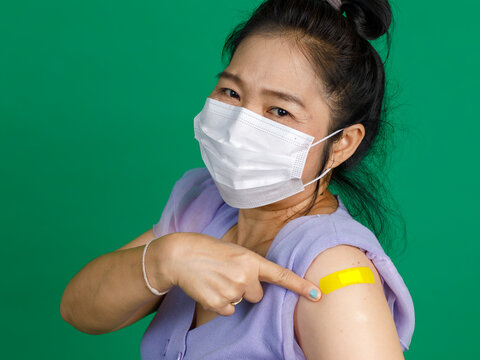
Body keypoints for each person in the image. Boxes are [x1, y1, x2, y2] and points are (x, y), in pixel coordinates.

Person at [60, 0, 415, 359]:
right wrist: (166, 258)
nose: (237, 126)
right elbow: (78, 309)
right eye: (231, 92)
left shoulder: (334, 271)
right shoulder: (204, 204)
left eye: (280, 110)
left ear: (342, 143)